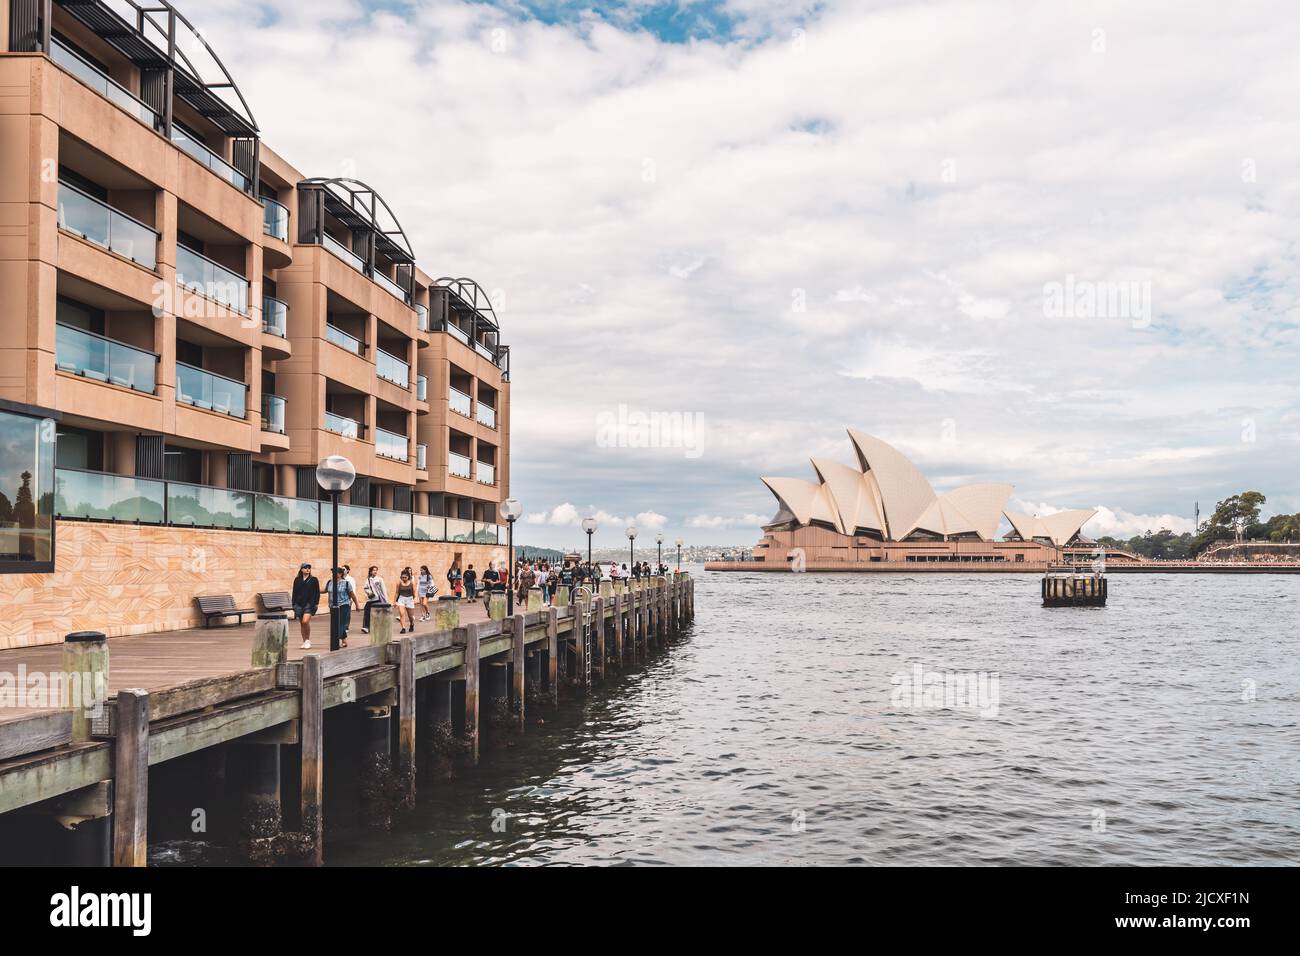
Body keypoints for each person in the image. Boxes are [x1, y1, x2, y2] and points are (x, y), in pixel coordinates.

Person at [325, 566, 358, 648]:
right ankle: (344, 640)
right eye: (333, 573)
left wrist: (357, 605)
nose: (334, 574)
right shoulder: (330, 582)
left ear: (340, 574)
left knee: (341, 623)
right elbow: (325, 590)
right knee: (336, 623)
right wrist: (314, 590)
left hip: (344, 605)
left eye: (336, 572)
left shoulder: (346, 583)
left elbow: (352, 595)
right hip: (333, 606)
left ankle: (336, 638)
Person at [291, 562, 320, 649]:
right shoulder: (297, 580)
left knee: (305, 622)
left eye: (309, 568)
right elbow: (294, 592)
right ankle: (304, 641)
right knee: (301, 624)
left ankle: (307, 640)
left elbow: (317, 592)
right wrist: (293, 604)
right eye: (305, 567)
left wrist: (315, 603)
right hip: (299, 604)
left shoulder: (314, 579)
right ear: (301, 569)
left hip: (309, 604)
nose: (307, 569)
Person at [361, 565, 388, 634]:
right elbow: (365, 588)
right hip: (370, 599)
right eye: (373, 570)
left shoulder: (379, 579)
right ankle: (366, 627)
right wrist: (369, 592)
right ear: (370, 571)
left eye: (376, 570)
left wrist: (386, 600)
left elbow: (383, 589)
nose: (375, 571)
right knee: (367, 613)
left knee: (378, 614)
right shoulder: (368, 580)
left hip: (378, 599)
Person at [396, 569, 417, 634]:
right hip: (401, 598)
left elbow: (414, 591)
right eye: (402, 577)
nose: (404, 579)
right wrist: (394, 601)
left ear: (408, 577)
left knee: (410, 616)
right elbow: (396, 593)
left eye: (405, 577)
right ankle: (403, 628)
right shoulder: (399, 582)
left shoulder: (412, 582)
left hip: (410, 599)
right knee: (401, 614)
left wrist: (415, 599)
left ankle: (412, 624)